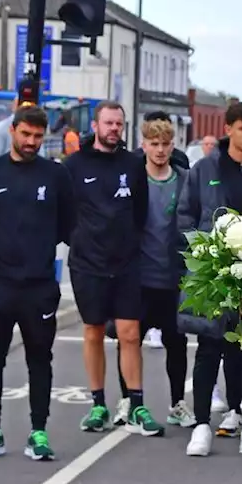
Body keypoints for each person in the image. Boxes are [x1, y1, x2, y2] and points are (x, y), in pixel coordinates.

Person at [0, 106, 74, 460]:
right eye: (25, 134)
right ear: (13, 131)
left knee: (39, 358)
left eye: (38, 137)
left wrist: (41, 247)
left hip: (38, 285)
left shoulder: (55, 176)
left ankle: (38, 432)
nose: (31, 142)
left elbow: (68, 223)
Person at [177, 101, 242, 458]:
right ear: (229, 129)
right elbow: (186, 217)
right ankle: (202, 424)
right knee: (208, 350)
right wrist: (203, 255)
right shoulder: (204, 169)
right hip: (214, 275)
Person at [63, 101, 160, 436]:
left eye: (119, 124)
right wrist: (79, 239)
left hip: (126, 263)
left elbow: (141, 211)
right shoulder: (74, 165)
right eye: (108, 123)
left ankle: (137, 404)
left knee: (130, 334)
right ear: (95, 126)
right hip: (87, 263)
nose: (114, 129)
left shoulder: (133, 165)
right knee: (92, 332)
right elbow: (64, 214)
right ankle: (98, 403)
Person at [106, 117, 194, 428]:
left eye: (165, 144)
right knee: (129, 341)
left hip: (172, 276)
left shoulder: (184, 179)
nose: (159, 150)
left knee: (177, 342)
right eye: (153, 144)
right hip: (136, 277)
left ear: (173, 146)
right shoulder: (129, 179)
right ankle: (128, 400)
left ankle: (176, 403)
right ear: (143, 145)